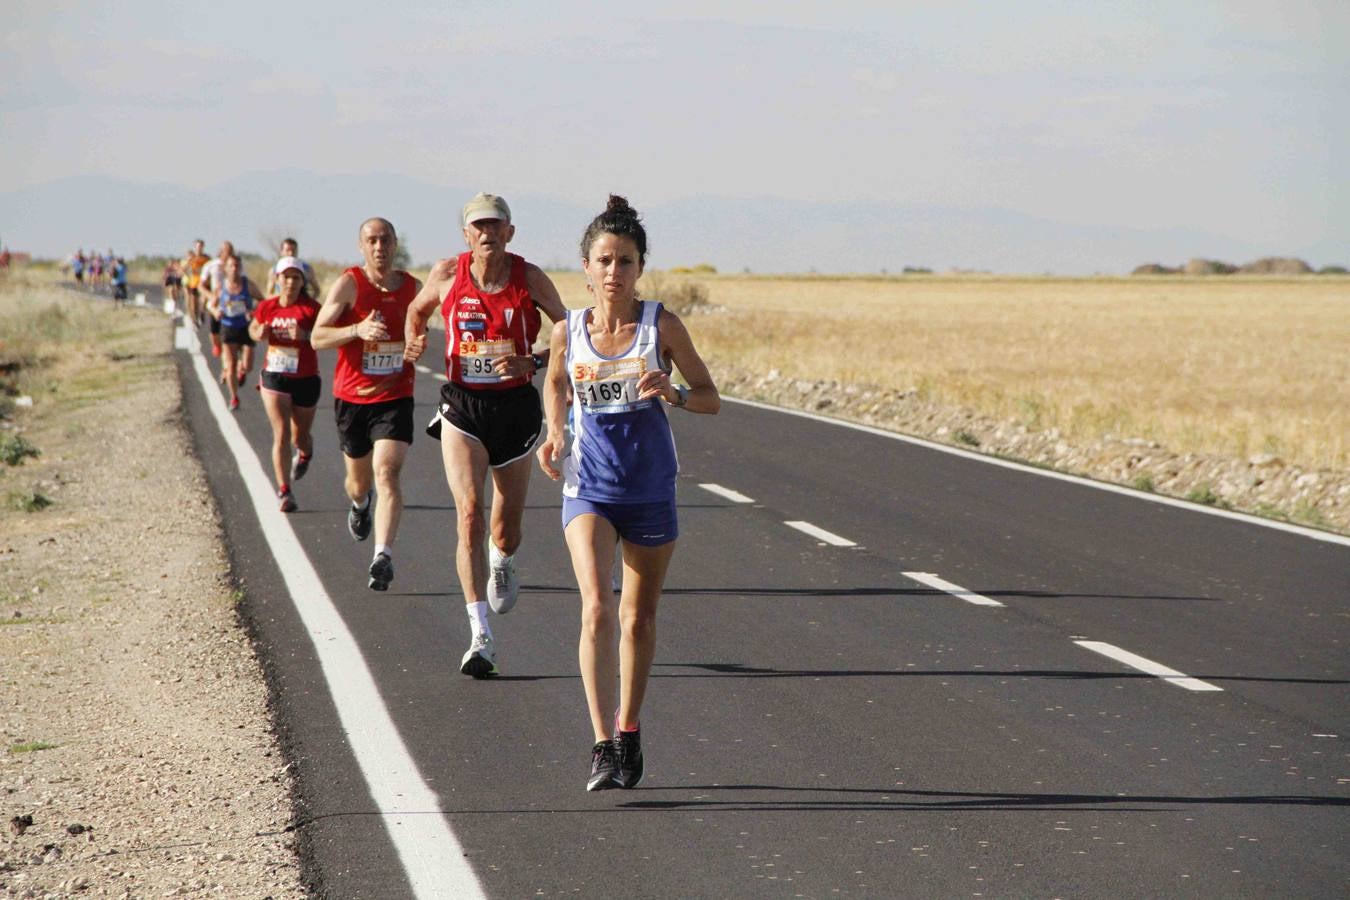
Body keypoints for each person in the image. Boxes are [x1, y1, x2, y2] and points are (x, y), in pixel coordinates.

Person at [537, 195, 719, 792]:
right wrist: (553, 431)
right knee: (596, 607)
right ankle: (599, 745)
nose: (614, 272)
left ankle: (629, 729)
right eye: (604, 260)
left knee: (637, 621)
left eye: (625, 261)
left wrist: (673, 394)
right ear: (585, 269)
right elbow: (557, 385)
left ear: (640, 268)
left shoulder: (660, 325)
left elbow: (711, 396)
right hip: (588, 487)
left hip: (649, 488)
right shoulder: (568, 331)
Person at [404, 192, 566, 679]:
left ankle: (502, 559)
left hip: (516, 408)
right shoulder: (447, 274)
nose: (487, 233)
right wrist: (415, 337)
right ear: (466, 234)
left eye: (496, 225)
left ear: (509, 232)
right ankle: (480, 636)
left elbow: (567, 331)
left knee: (504, 528)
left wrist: (533, 361)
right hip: (462, 406)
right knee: (469, 512)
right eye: (478, 226)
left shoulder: (529, 277)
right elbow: (416, 310)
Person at [311, 218, 420, 591]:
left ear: (395, 244)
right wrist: (356, 330)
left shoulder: (411, 288)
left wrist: (415, 343)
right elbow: (317, 337)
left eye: (386, 239)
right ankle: (360, 505)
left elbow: (431, 327)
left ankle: (382, 556)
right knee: (358, 483)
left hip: (395, 396)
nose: (379, 247)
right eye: (372, 240)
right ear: (361, 246)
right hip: (352, 399)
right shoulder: (349, 284)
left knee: (387, 472)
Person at [249, 257, 322, 511]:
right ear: (277, 280)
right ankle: (284, 491)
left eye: (296, 278)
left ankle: (305, 453)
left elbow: (326, 337)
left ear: (302, 282)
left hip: (305, 378)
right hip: (275, 375)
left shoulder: (312, 309)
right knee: (281, 433)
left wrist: (307, 336)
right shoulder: (268, 306)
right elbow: (254, 327)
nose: (290, 282)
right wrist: (258, 333)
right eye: (286, 277)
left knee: (299, 436)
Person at [208, 254, 262, 410]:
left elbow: (263, 301)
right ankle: (233, 397)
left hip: (246, 327)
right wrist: (215, 311)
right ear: (225, 268)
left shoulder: (248, 285)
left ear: (241, 268)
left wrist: (253, 311)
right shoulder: (221, 286)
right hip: (228, 326)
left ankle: (242, 369)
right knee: (230, 364)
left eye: (237, 266)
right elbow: (211, 305)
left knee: (248, 365)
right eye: (231, 266)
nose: (234, 269)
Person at [200, 241, 235, 359]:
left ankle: (229, 365)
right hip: (215, 303)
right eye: (227, 252)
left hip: (231, 303)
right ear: (220, 252)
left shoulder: (236, 265)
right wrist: (210, 296)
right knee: (214, 332)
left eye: (231, 252)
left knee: (229, 339)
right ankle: (216, 344)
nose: (229, 254)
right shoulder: (211, 265)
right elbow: (201, 286)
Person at [184, 240, 211, 324]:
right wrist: (189, 275)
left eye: (201, 246)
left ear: (203, 247)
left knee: (204, 299)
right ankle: (195, 319)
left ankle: (202, 311)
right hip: (194, 283)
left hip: (204, 283)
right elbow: (185, 268)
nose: (199, 248)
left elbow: (211, 267)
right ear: (195, 247)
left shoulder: (206, 258)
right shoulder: (192, 258)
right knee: (193, 303)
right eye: (197, 246)